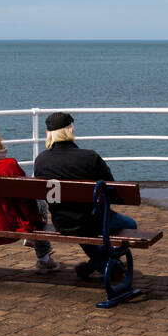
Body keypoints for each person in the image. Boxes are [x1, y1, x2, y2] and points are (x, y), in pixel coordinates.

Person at [32, 112, 137, 278]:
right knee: (131, 225)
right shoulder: (89, 158)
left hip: (62, 222)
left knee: (80, 225)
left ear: (48, 134)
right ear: (71, 131)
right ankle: (97, 265)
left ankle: (99, 265)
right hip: (91, 221)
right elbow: (112, 191)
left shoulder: (41, 161)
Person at [0, 122, 58, 273]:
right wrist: (32, 226)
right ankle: (43, 259)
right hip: (10, 224)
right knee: (39, 203)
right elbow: (26, 200)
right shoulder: (9, 165)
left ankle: (44, 257)